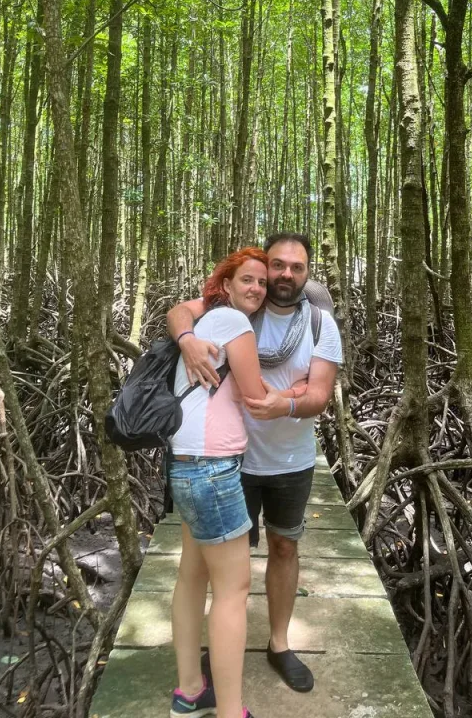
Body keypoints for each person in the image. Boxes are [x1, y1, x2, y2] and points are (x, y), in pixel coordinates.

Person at [167, 233, 342, 694]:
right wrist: (186, 338)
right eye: (277, 266)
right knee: (225, 566)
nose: (284, 275)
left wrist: (286, 404)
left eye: (296, 267)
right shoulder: (242, 306)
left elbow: (320, 394)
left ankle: (279, 644)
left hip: (291, 460)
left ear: (307, 273)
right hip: (231, 461)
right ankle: (223, 646)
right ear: (262, 271)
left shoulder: (321, 324)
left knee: (284, 547)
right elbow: (179, 310)